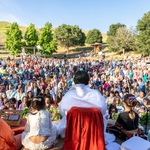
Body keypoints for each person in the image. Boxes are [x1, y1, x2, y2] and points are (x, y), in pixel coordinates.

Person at [57, 71, 120, 150]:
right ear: (88, 81)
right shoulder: (96, 94)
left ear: (74, 81)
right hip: (93, 132)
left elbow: (63, 113)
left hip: (73, 131)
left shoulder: (68, 95)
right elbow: (103, 112)